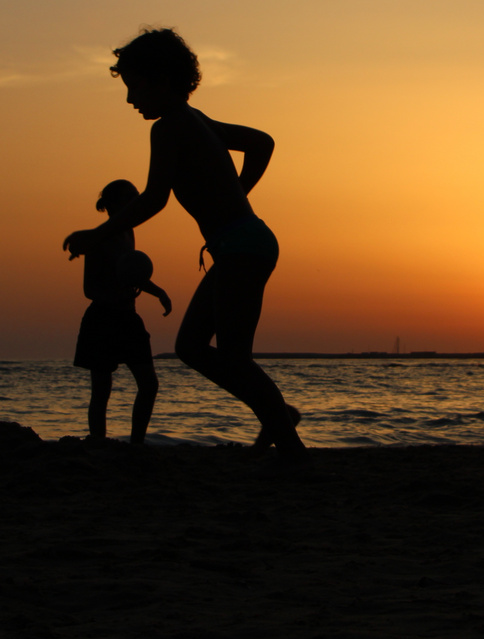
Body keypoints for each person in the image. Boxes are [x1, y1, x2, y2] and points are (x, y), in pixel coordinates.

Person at [64, 28, 305, 462]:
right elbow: (261, 142)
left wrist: (95, 235)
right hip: (242, 243)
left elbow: (154, 198)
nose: (129, 99)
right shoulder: (199, 121)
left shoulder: (170, 127)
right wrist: (239, 193)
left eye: (135, 87)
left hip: (242, 247)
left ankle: (288, 440)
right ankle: (279, 416)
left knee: (233, 356)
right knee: (191, 348)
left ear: (162, 79)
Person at [67, 179, 171, 445]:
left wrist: (157, 292)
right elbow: (89, 289)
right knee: (101, 390)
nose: (135, 202)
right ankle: (98, 442)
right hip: (102, 318)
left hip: (128, 318)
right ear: (112, 204)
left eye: (137, 197)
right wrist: (116, 295)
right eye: (129, 198)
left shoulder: (129, 232)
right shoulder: (100, 237)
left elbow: (131, 273)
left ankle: (137, 443)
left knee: (149, 385)